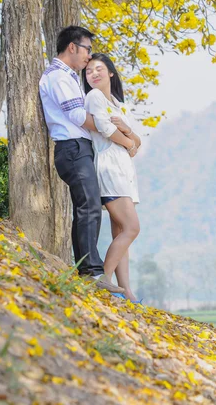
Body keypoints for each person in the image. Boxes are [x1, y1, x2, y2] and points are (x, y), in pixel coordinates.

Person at [39, 26, 134, 294]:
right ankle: (91, 272)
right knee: (88, 206)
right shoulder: (58, 77)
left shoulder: (67, 77)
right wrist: (114, 131)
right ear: (72, 47)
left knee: (88, 206)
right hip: (72, 148)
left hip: (79, 148)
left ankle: (88, 269)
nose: (88, 56)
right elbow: (78, 117)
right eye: (87, 49)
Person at [83, 53, 141, 302]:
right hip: (109, 169)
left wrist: (128, 133)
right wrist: (128, 140)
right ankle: (103, 280)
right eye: (88, 71)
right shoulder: (94, 97)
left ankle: (125, 291)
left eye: (98, 69)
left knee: (121, 234)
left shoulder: (118, 104)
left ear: (110, 73)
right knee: (131, 228)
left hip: (125, 172)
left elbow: (138, 142)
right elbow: (106, 130)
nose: (93, 74)